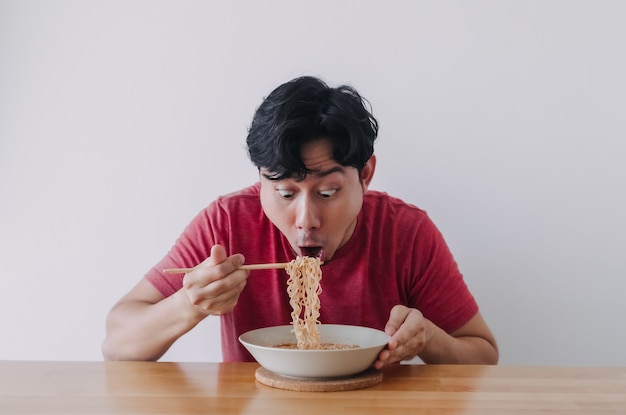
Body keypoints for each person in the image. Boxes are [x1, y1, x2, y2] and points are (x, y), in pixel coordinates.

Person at [102, 76, 498, 367]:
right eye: (286, 194)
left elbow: (483, 356)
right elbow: (117, 345)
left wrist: (428, 338)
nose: (306, 220)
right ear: (260, 181)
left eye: (328, 193)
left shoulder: (406, 232)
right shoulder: (226, 224)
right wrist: (190, 303)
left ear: (366, 175)